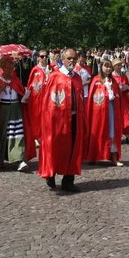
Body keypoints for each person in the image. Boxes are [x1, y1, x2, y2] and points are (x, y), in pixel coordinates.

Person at [38, 48, 88, 192]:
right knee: (55, 147)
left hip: (74, 118)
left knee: (73, 148)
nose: (72, 61)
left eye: (74, 58)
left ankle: (68, 180)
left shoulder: (77, 78)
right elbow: (48, 102)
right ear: (62, 59)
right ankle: (51, 173)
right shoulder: (55, 76)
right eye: (69, 59)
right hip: (57, 119)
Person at [0, 56, 35, 172]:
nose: (10, 70)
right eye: (7, 68)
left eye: (12, 68)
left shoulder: (16, 80)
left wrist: (25, 95)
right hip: (3, 110)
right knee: (2, 134)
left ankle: (20, 160)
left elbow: (21, 92)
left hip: (16, 109)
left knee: (17, 133)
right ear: (2, 68)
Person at [85, 58, 124, 166]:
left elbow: (117, 96)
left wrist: (113, 95)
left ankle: (114, 157)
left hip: (111, 110)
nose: (107, 69)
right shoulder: (96, 80)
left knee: (112, 133)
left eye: (109, 66)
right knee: (96, 132)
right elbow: (93, 97)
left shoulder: (114, 81)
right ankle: (93, 155)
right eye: (105, 66)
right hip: (98, 112)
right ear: (101, 67)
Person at [26, 49, 51, 143]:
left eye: (46, 56)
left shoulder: (51, 69)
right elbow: (30, 84)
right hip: (37, 99)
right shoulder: (35, 70)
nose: (44, 58)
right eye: (42, 56)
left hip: (47, 98)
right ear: (38, 58)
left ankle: (45, 135)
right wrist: (27, 97)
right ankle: (37, 136)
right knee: (36, 117)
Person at [111, 58, 129, 143]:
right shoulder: (112, 76)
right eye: (118, 65)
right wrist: (119, 88)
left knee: (126, 116)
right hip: (116, 100)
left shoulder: (123, 75)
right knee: (117, 118)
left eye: (120, 65)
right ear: (114, 66)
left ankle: (127, 135)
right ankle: (118, 135)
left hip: (124, 100)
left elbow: (127, 85)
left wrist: (127, 89)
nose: (120, 67)